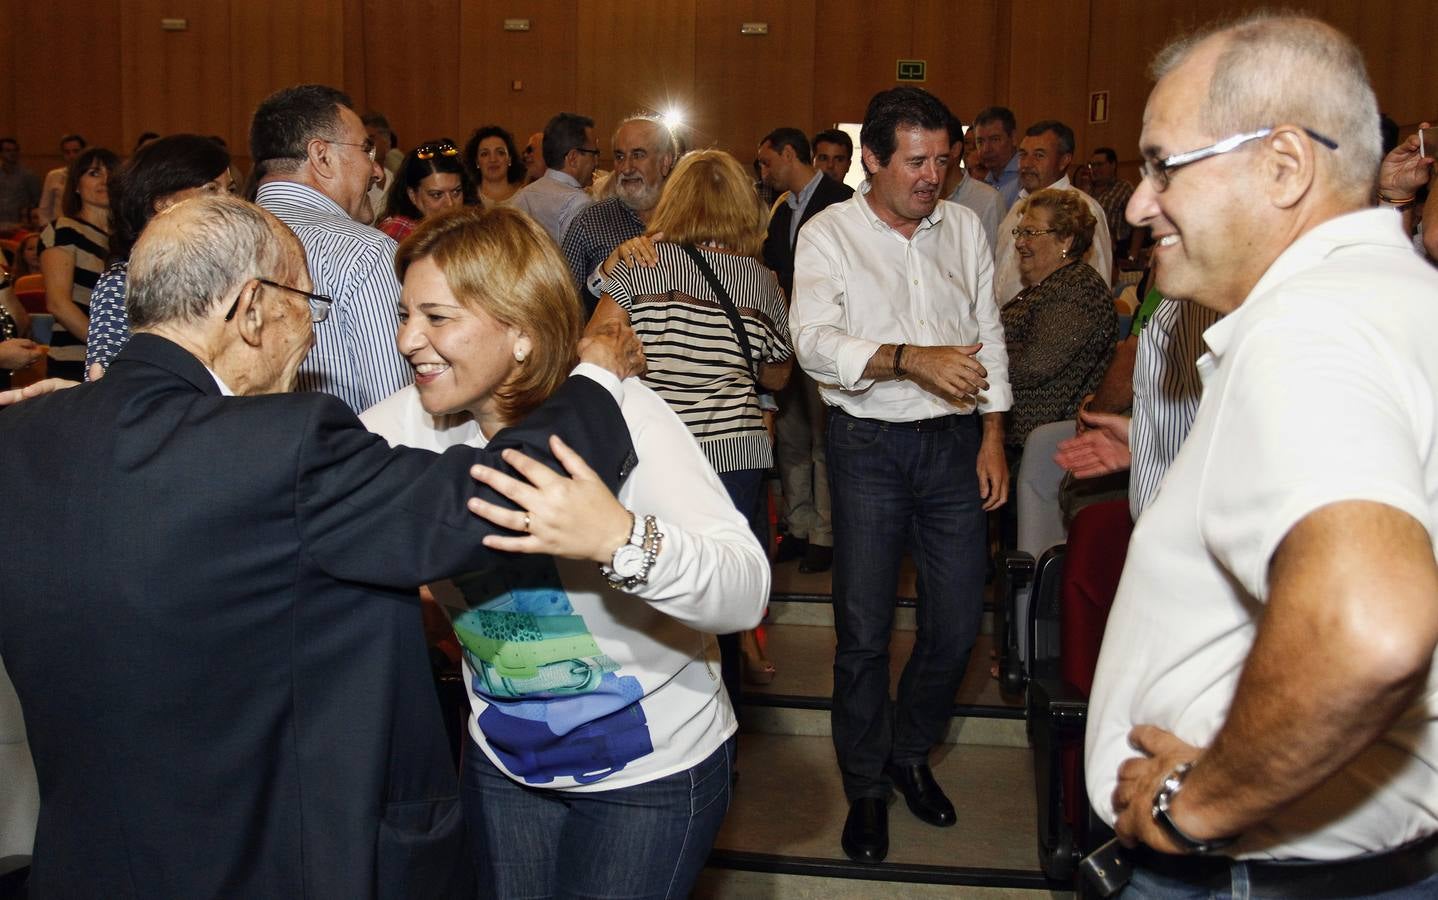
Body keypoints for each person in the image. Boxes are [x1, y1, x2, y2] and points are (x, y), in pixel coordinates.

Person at [0, 193, 644, 898]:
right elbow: (494, 500)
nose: (311, 332)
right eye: (306, 301)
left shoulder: (24, 435)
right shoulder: (283, 444)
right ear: (251, 309)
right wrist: (598, 377)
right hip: (277, 861)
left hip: (88, 866)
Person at [1084, 13, 1438, 897]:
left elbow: (1370, 625)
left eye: (1164, 164)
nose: (1135, 203)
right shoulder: (1395, 300)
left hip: (1255, 870)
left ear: (1284, 165)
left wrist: (1196, 805)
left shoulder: (1305, 328)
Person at [360, 205, 768, 900]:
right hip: (503, 762)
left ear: (518, 331)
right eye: (405, 315)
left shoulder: (626, 412)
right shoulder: (396, 428)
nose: (407, 340)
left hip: (653, 772)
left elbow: (744, 589)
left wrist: (619, 539)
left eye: (437, 317)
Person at [791, 86, 1010, 865]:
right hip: (868, 447)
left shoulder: (965, 230)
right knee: (864, 631)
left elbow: (987, 331)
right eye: (916, 161)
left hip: (954, 448)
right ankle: (866, 786)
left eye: (944, 161)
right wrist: (907, 359)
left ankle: (909, 752)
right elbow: (812, 342)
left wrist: (991, 434)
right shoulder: (826, 236)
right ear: (872, 161)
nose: (933, 176)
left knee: (955, 624)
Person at [597, 148, 793, 713]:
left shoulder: (638, 266)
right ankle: (721, 725)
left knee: (655, 583)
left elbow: (599, 350)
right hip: (733, 455)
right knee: (720, 591)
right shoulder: (759, 281)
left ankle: (661, 714)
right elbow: (778, 375)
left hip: (656, 455)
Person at [251, 83, 412, 412]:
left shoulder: (205, 243)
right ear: (321, 156)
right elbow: (395, 409)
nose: (378, 170)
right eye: (367, 151)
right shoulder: (363, 252)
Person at [757, 126, 853, 574]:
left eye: (766, 161)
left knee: (821, 439)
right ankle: (797, 526)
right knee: (791, 439)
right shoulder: (782, 210)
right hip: (784, 338)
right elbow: (772, 270)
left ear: (789, 155)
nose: (764, 170)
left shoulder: (842, 199)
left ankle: (825, 535)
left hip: (828, 336)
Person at [84, 134, 235, 378]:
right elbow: (106, 383)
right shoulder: (124, 283)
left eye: (231, 190)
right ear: (164, 203)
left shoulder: (232, 275)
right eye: (212, 189)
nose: (229, 202)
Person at [1000, 188, 1115, 456]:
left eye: (1031, 232)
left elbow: (1034, 365)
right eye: (1019, 232)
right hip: (1021, 437)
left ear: (1065, 239)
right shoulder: (1047, 285)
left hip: (1043, 447)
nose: (1019, 242)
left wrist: (975, 363)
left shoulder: (1077, 288)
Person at [562, 116, 676, 313]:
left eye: (638, 155)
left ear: (665, 162)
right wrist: (604, 274)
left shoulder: (690, 222)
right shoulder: (589, 222)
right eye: (620, 157)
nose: (626, 168)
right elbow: (562, 306)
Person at [993, 120, 1113, 306]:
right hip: (1006, 327)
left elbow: (1098, 284)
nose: (1027, 164)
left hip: (1056, 328)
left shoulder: (1083, 210)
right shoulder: (1017, 208)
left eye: (1039, 155)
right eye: (1023, 155)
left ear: (1064, 160)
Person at [39, 146, 118, 381]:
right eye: (94, 173)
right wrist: (108, 351)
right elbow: (58, 304)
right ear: (75, 185)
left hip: (123, 364)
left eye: (110, 173)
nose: (104, 180)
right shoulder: (63, 230)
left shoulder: (131, 239)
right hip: (76, 359)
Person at [511, 113, 599, 245]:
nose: (596, 162)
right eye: (594, 154)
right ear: (573, 158)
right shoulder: (578, 203)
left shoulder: (523, 195)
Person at [375, 139, 473, 242]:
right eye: (437, 195)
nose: (450, 203)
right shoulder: (398, 231)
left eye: (456, 192)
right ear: (413, 195)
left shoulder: (466, 227)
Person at [941, 115, 1004, 255]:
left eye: (937, 148)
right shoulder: (924, 195)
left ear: (955, 149)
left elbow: (990, 263)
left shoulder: (986, 200)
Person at [464, 125, 525, 207]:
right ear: (477, 162)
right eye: (485, 154)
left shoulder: (525, 198)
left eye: (500, 153)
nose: (493, 159)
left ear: (510, 159)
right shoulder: (466, 199)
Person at [974, 105, 1021, 209]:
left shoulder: (1026, 177)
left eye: (995, 139)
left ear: (1013, 138)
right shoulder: (984, 181)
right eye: (980, 141)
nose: (986, 149)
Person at [36, 134, 85, 227]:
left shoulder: (92, 176)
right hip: (59, 228)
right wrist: (47, 230)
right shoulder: (53, 175)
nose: (72, 155)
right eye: (67, 152)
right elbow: (44, 209)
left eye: (76, 151)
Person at [0, 138, 40, 227]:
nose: (12, 153)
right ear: (1, 153)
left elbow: (38, 202)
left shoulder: (29, 176)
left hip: (19, 225)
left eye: (15, 150)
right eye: (7, 150)